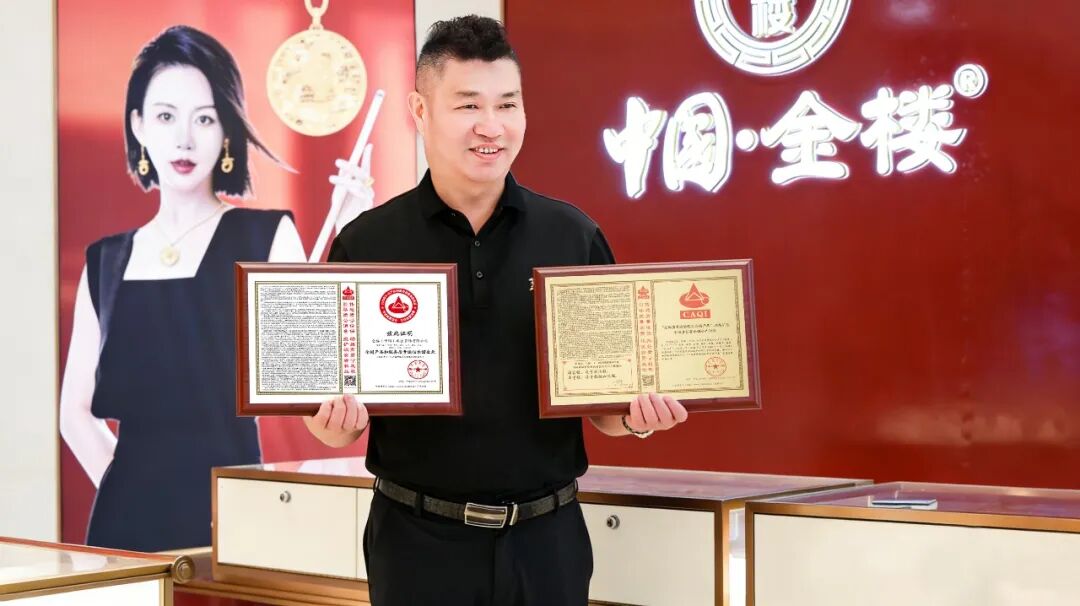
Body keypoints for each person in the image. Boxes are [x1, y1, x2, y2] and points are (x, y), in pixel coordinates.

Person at [306, 16, 688, 605]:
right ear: (419, 111)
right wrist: (330, 423)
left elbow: (606, 410)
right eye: (468, 105)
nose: (492, 126)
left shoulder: (572, 236)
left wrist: (639, 417)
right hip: (416, 544)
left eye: (508, 104)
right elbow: (338, 420)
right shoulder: (367, 243)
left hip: (547, 541)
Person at [59, 25, 374, 551]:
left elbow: (321, 396)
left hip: (234, 523)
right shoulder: (105, 261)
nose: (184, 139)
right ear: (138, 125)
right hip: (123, 528)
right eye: (166, 116)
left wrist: (356, 231)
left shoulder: (268, 236)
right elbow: (74, 414)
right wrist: (129, 494)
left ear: (226, 127)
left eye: (204, 118)